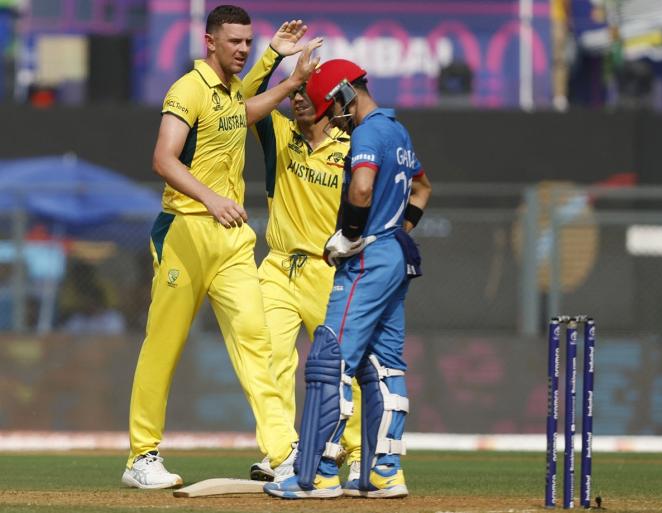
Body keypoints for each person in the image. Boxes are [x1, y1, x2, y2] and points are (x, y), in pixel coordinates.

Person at [122, 5, 322, 489]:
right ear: (209, 42)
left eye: (249, 42)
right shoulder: (187, 89)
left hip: (231, 240)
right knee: (163, 347)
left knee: (257, 342)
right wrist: (212, 198)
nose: (243, 48)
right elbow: (163, 159)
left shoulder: (231, 92)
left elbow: (245, 110)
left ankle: (282, 451)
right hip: (185, 230)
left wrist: (291, 80)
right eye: (235, 41)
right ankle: (141, 457)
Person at [264, 59, 432, 499]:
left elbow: (360, 189)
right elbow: (423, 188)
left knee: (330, 359)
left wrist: (351, 237)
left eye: (328, 103)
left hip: (366, 260)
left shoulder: (366, 133)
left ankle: (316, 474)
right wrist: (398, 232)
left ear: (342, 92)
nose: (329, 113)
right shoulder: (398, 131)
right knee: (384, 365)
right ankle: (384, 471)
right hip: (395, 255)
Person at [240, 28, 362, 484]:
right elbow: (243, 102)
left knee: (341, 368)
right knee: (270, 358)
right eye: (297, 93)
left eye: (309, 93)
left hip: (330, 270)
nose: (299, 100)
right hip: (277, 265)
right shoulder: (278, 132)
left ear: (330, 103)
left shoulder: (351, 149)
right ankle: (283, 452)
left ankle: (355, 452)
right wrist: (275, 59)